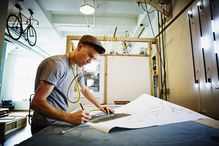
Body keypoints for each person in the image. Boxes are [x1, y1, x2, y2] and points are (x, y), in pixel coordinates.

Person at [31, 35, 114, 134]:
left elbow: (84, 90)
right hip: (44, 125)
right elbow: (37, 102)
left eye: (93, 59)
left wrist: (99, 106)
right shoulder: (57, 65)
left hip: (58, 121)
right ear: (80, 47)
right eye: (90, 55)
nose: (90, 61)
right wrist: (69, 117)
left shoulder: (77, 68)